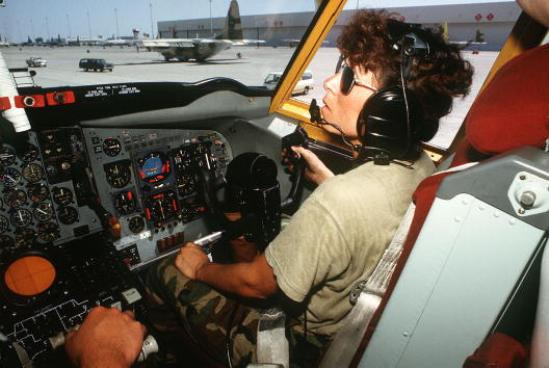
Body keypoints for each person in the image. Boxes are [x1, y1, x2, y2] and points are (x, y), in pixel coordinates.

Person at [66, 9, 475, 368]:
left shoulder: (343, 200)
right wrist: (330, 183)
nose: (330, 83)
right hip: (356, 325)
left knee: (163, 272)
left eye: (349, 78)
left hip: (303, 343)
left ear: (387, 110)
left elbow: (256, 284)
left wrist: (200, 267)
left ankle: (180, 353)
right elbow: (375, 210)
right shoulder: (423, 169)